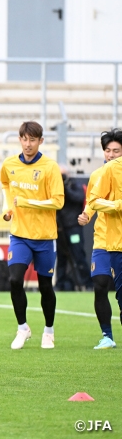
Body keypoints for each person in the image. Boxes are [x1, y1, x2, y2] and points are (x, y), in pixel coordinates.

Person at [0, 121, 64, 350]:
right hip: (19, 235)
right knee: (15, 280)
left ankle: (49, 331)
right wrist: (8, 209)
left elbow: (58, 201)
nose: (28, 144)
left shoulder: (49, 167)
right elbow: (5, 184)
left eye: (33, 140)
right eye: (24, 139)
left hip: (45, 237)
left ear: (41, 141)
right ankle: (23, 328)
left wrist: (27, 202)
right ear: (19, 139)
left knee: (45, 286)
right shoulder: (9, 164)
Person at [80, 129, 122, 349]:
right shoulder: (98, 174)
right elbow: (92, 201)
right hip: (102, 238)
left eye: (116, 150)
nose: (111, 154)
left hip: (120, 238)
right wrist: (87, 215)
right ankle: (107, 335)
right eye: (108, 150)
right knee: (100, 283)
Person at [55, 165, 91, 291]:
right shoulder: (55, 189)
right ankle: (60, 284)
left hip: (74, 229)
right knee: (61, 258)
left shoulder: (75, 185)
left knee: (78, 255)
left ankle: (88, 284)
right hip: (60, 229)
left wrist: (64, 187)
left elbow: (78, 198)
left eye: (62, 175)